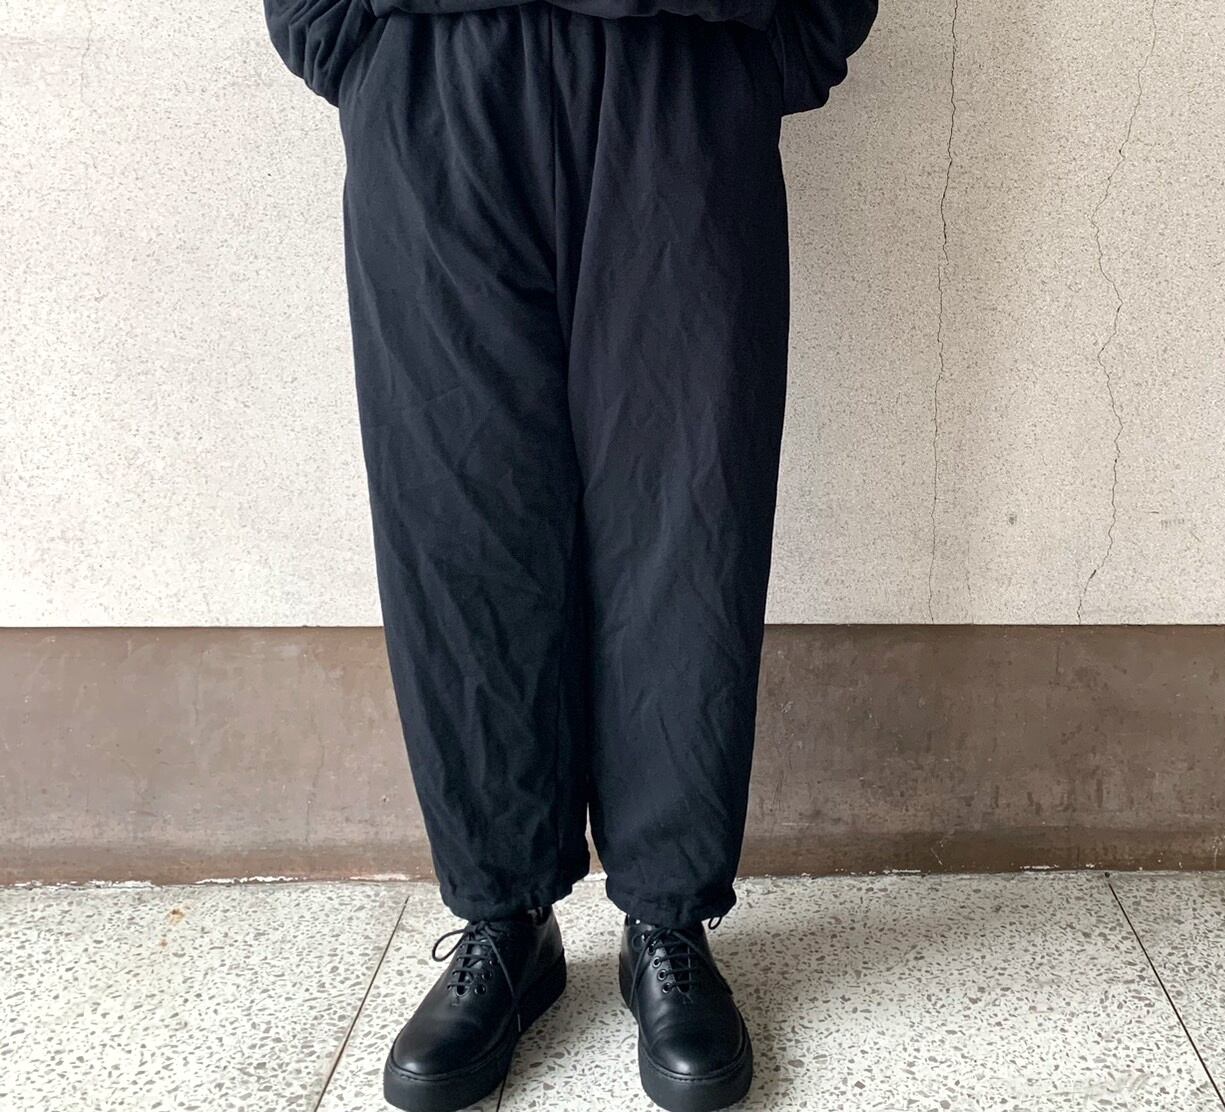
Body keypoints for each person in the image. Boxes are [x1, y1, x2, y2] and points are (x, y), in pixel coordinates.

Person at [264, 1, 875, 1108]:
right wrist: (347, 38)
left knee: (689, 518)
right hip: (434, 78)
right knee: (456, 519)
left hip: (680, 73)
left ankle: (667, 919)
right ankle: (504, 915)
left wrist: (779, 48)